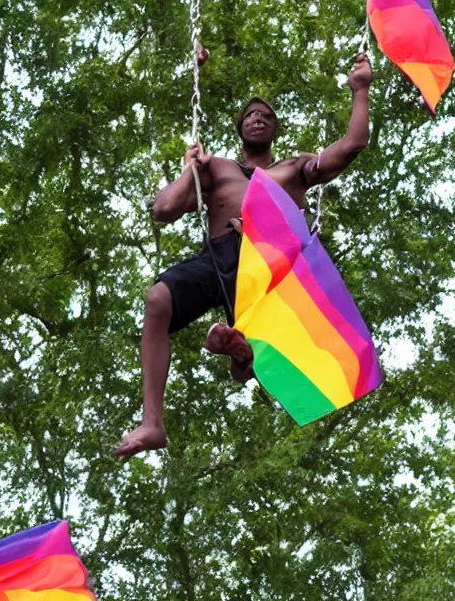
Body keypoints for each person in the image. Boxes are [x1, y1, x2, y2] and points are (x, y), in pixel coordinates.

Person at [114, 52, 373, 460]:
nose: (257, 117)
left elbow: (354, 143)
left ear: (274, 130)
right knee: (157, 299)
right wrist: (190, 170)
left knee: (253, 358)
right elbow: (163, 211)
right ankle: (153, 421)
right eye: (250, 114)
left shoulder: (293, 169)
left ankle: (241, 351)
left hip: (269, 264)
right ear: (239, 128)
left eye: (265, 115)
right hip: (220, 257)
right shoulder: (215, 167)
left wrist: (360, 90)